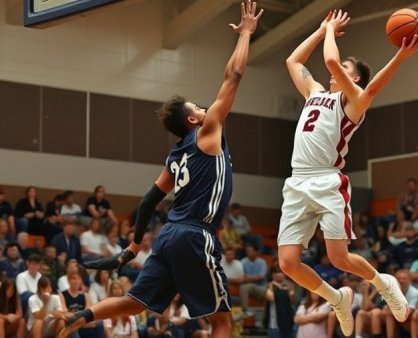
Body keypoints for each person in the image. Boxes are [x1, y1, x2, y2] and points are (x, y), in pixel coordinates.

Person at [58, 3, 264, 338]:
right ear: (194, 120)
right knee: (222, 321)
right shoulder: (207, 133)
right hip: (196, 234)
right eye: (199, 107)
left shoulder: (174, 157)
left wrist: (134, 247)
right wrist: (245, 34)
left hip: (167, 236)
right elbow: (234, 75)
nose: (205, 107)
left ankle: (81, 314)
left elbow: (146, 203)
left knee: (138, 301)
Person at [276, 9, 418, 336]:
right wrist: (318, 31)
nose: (338, 67)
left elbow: (331, 61)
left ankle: (382, 283)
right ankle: (336, 298)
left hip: (328, 180)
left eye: (347, 67)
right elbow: (292, 62)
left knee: (339, 258)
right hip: (297, 180)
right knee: (287, 262)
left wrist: (330, 30)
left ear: (354, 77)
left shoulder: (353, 101)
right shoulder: (314, 93)